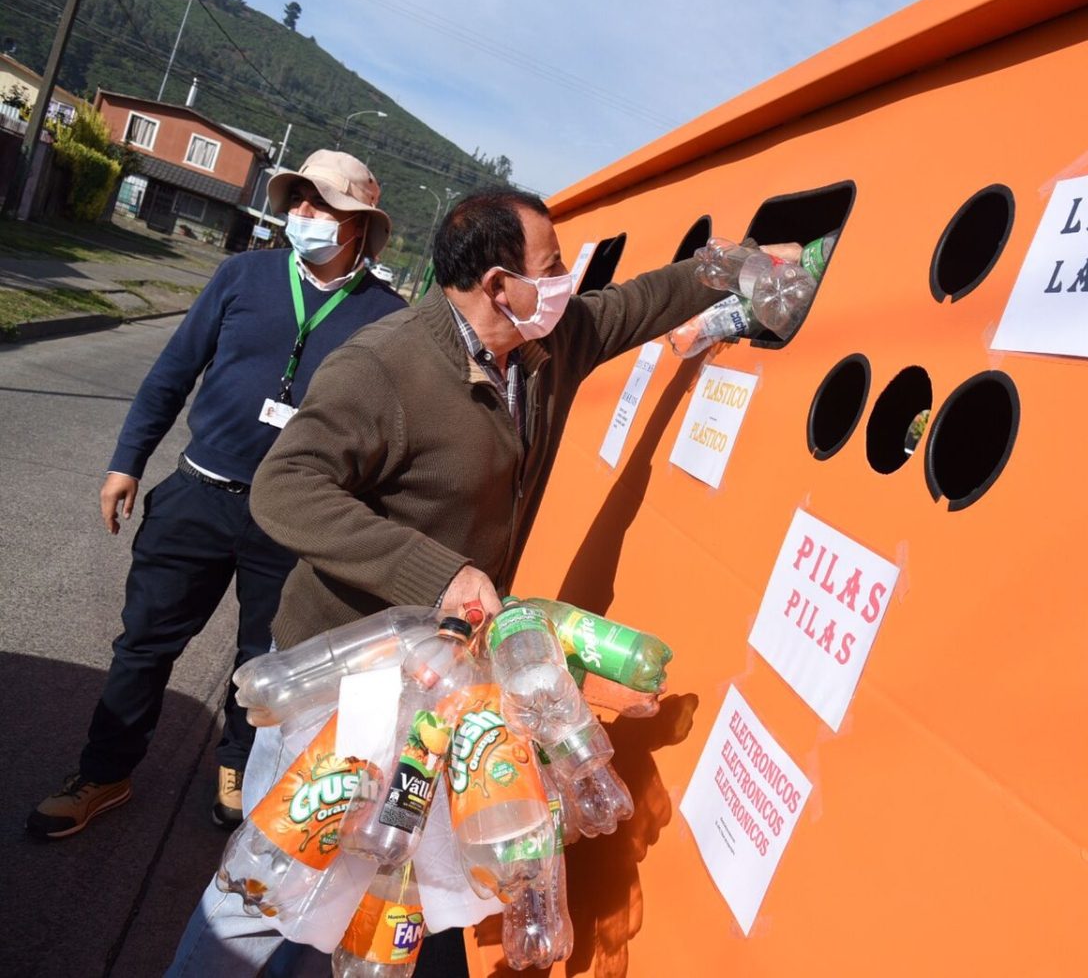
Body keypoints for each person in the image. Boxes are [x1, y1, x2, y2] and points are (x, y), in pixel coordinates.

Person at [164, 187, 800, 974]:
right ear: (499, 284)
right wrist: (440, 573)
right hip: (345, 681)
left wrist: (734, 266)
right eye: (553, 265)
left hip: (433, 680)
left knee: (370, 896)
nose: (568, 280)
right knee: (270, 891)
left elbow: (634, 304)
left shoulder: (541, 348)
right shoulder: (384, 366)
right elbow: (286, 488)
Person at [27, 150, 408, 840]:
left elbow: (388, 432)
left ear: (358, 225)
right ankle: (104, 770)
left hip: (295, 525)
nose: (304, 215)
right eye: (298, 200)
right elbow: (173, 372)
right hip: (199, 494)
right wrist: (127, 461)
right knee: (143, 645)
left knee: (264, 664)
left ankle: (237, 765)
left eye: (321, 206)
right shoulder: (243, 275)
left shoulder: (387, 319)